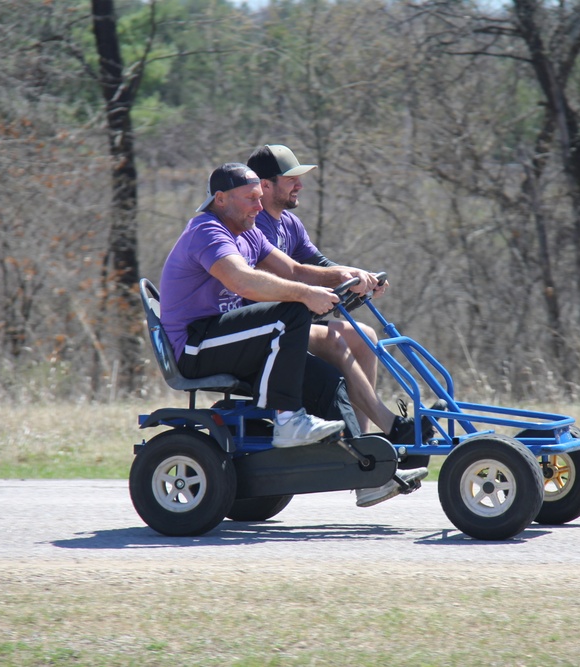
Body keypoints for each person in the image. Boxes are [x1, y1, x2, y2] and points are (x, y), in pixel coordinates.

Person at [160, 163, 426, 504]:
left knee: (329, 379)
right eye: (250, 198)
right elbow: (242, 281)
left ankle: (368, 473)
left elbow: (296, 270)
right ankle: (287, 420)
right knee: (292, 309)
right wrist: (304, 295)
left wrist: (349, 275)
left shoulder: (248, 231)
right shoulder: (207, 231)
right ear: (221, 199)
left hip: (230, 341)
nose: (259, 206)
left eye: (260, 198)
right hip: (196, 346)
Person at [246, 144, 435, 445]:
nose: (300, 185)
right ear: (265, 185)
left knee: (366, 335)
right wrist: (345, 277)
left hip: (292, 322)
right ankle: (389, 425)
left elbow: (321, 264)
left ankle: (365, 440)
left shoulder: (290, 224)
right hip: (267, 327)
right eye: (291, 179)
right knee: (334, 340)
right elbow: (293, 275)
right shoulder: (255, 226)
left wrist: (360, 276)